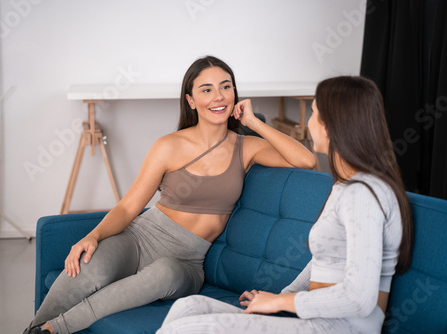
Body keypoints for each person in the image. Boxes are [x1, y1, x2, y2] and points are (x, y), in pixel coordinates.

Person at [22, 56, 316, 334]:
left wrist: (253, 122)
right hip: (139, 239)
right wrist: (93, 236)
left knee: (162, 273)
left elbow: (306, 160)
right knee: (91, 266)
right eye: (207, 89)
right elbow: (128, 208)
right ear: (191, 100)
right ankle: (35, 327)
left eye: (226, 87)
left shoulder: (246, 147)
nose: (218, 96)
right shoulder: (168, 146)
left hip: (186, 262)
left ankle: (56, 329)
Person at [157, 76, 414, 334]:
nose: (308, 122)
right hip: (310, 320)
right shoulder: (345, 187)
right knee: (188, 307)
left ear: (332, 125)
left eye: (314, 113)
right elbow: (324, 261)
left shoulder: (364, 194)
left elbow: (359, 299)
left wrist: (280, 302)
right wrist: (278, 297)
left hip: (338, 329)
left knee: (185, 329)